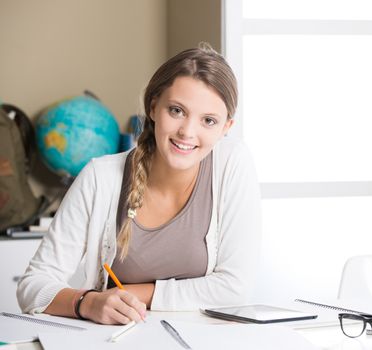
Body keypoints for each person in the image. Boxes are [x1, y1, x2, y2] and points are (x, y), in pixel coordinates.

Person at [17, 43, 261, 325]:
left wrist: (137, 294)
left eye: (208, 120)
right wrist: (88, 302)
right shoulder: (100, 177)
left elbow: (234, 288)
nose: (187, 132)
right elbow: (32, 287)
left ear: (225, 128)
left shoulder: (233, 164)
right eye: (177, 111)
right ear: (154, 107)